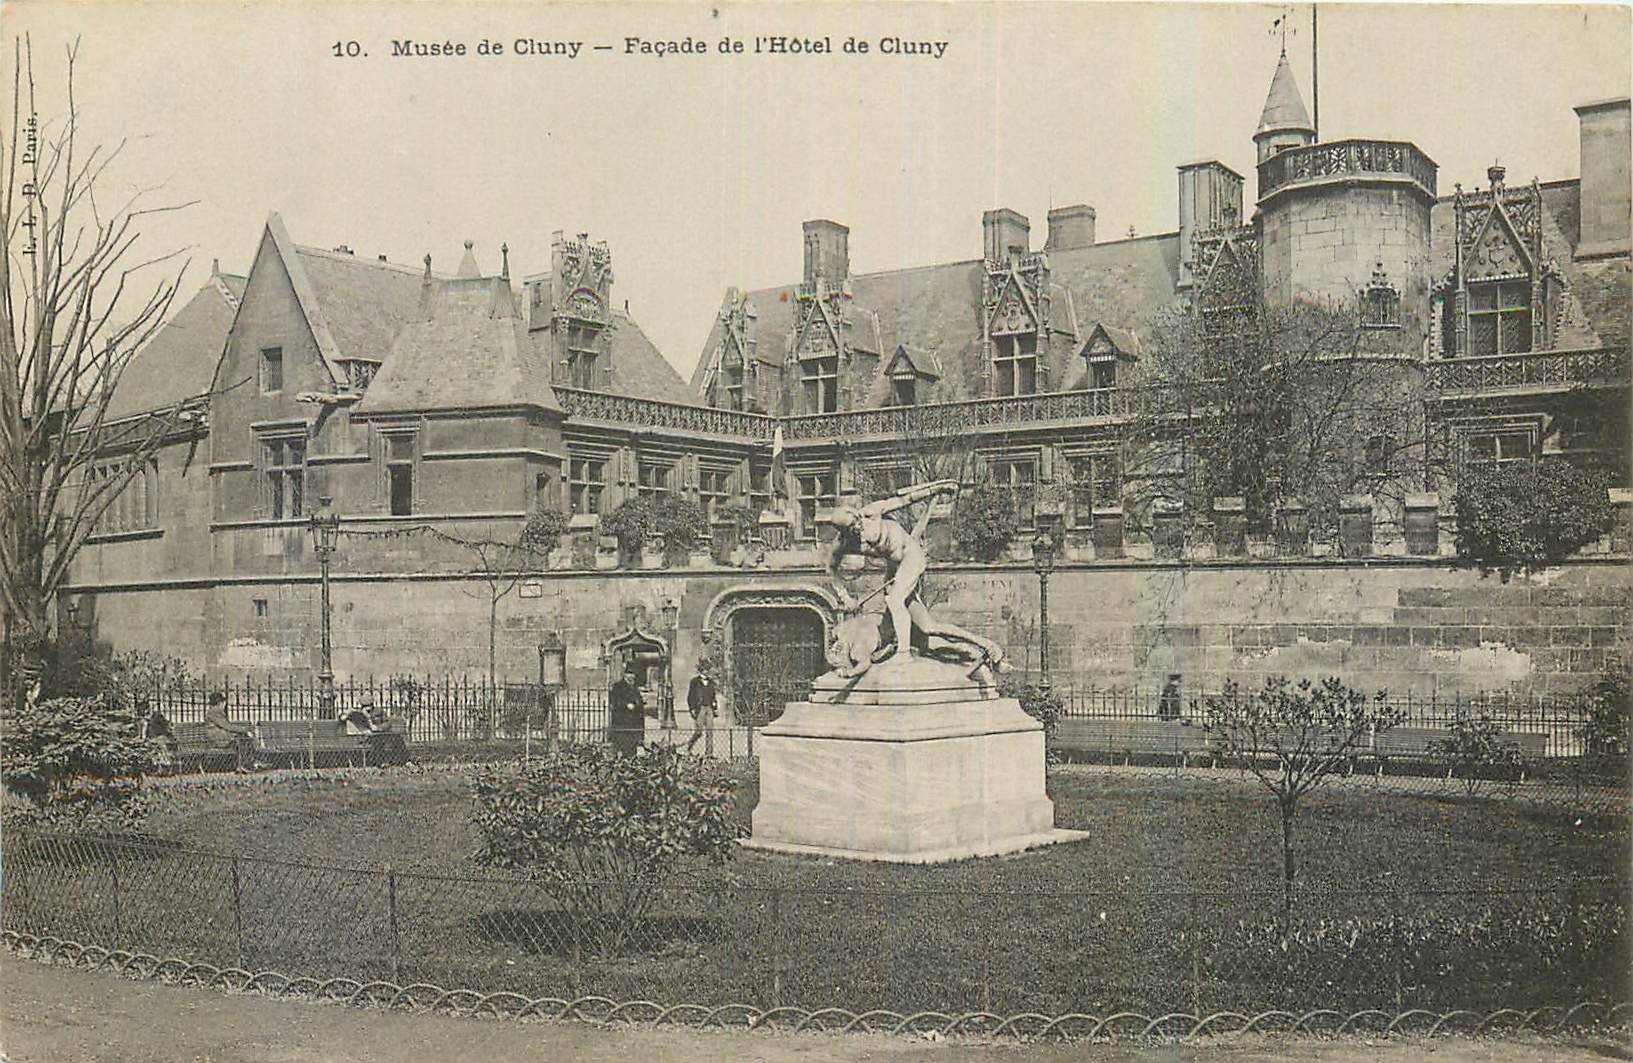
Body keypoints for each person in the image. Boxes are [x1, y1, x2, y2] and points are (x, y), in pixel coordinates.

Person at [826, 479, 1008, 675]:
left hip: (912, 557)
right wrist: (845, 597)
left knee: (894, 599)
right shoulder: (843, 544)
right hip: (895, 569)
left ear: (857, 516)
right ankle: (987, 645)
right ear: (842, 532)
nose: (857, 530)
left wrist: (936, 489)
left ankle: (903, 654)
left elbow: (906, 499)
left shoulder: (872, 512)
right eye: (850, 529)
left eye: (856, 524)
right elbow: (830, 569)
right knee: (929, 627)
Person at [607, 664, 646, 756]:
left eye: (633, 674)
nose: (631, 676)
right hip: (623, 723)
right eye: (629, 674)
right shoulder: (618, 686)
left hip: (634, 724)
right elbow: (614, 702)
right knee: (623, 748)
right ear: (625, 675)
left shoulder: (634, 687)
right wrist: (626, 705)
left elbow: (638, 702)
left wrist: (639, 705)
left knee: (632, 750)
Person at [685, 669, 718, 757]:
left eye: (708, 670)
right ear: (701, 671)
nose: (706, 672)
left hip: (709, 709)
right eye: (704, 669)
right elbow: (690, 696)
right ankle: (689, 746)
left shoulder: (711, 682)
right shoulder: (694, 682)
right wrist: (692, 708)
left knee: (710, 731)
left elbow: (713, 696)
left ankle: (709, 753)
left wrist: (715, 707)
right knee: (698, 731)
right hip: (700, 709)